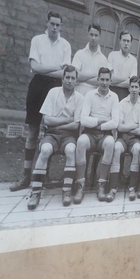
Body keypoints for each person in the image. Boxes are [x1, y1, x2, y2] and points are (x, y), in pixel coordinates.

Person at [10, 11, 71, 192]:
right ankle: (26, 177)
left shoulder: (65, 45)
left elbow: (64, 73)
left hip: (55, 89)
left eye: (58, 25)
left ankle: (44, 176)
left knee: (51, 132)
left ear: (61, 26)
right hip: (37, 87)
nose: (55, 27)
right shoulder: (37, 40)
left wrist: (45, 69)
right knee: (33, 132)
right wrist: (53, 69)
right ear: (47, 23)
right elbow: (34, 67)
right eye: (52, 24)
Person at [27, 66, 84, 210]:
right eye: (67, 77)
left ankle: (66, 191)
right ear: (62, 78)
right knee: (45, 149)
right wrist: (66, 120)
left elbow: (76, 125)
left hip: (68, 137)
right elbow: (46, 120)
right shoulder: (53, 93)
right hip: (51, 134)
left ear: (76, 80)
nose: (70, 81)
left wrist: (58, 122)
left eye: (73, 78)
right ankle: (36, 192)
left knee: (71, 150)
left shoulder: (79, 98)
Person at [73, 67, 119, 204]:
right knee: (81, 142)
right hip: (90, 133)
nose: (104, 83)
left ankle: (101, 185)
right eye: (102, 79)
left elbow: (115, 122)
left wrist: (101, 126)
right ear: (98, 80)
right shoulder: (89, 95)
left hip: (105, 135)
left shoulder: (114, 97)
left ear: (110, 81)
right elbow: (83, 119)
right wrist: (100, 121)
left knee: (111, 143)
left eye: (107, 80)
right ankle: (80, 186)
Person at [107, 76, 140, 202]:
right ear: (129, 88)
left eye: (136, 87)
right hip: (123, 138)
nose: (134, 89)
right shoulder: (122, 103)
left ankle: (132, 188)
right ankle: (113, 188)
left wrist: (127, 127)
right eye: (132, 87)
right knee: (116, 148)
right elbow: (119, 127)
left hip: (134, 139)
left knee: (137, 149)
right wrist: (133, 126)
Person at [71, 23, 109, 97]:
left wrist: (82, 78)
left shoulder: (103, 59)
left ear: (100, 37)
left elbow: (100, 81)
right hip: (78, 92)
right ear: (88, 35)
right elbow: (75, 75)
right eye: (91, 35)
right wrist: (95, 75)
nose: (93, 38)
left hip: (94, 94)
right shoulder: (80, 53)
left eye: (96, 35)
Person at [108, 31, 137, 101]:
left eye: (128, 41)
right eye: (124, 40)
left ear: (131, 43)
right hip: (111, 92)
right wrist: (126, 78)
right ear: (120, 41)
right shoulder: (112, 55)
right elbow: (110, 79)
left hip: (125, 94)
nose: (126, 43)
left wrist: (115, 82)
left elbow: (131, 83)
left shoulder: (133, 60)